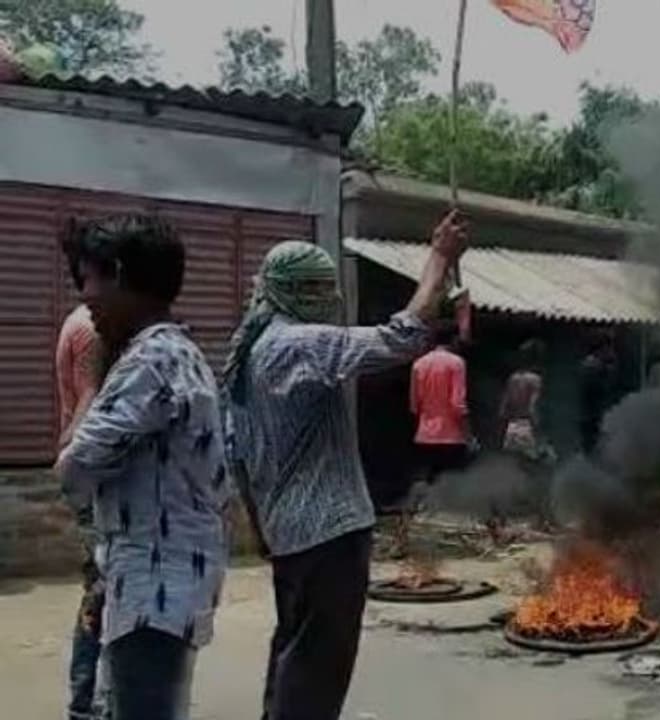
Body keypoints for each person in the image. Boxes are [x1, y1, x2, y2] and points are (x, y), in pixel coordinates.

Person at [223, 211, 466, 720]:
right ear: (298, 292)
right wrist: (439, 258)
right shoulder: (298, 343)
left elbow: (236, 453)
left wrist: (262, 525)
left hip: (289, 534)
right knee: (318, 668)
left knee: (294, 651)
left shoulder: (250, 352)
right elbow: (402, 336)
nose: (331, 300)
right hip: (329, 533)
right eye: (321, 290)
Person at [55, 215, 229, 720]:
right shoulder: (181, 352)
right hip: (173, 583)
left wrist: (94, 382)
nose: (85, 297)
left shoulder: (149, 361)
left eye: (90, 279)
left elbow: (74, 468)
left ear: (120, 275)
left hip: (152, 590)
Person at [56, 289, 107, 720]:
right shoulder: (93, 329)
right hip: (94, 478)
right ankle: (86, 701)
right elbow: (90, 396)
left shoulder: (77, 322)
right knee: (103, 589)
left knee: (99, 587)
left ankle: (88, 698)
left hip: (85, 471)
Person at [498, 339, 556, 527]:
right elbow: (533, 408)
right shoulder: (535, 380)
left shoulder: (513, 379)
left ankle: (503, 517)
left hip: (511, 429)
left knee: (514, 474)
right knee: (543, 472)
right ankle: (543, 518)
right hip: (527, 430)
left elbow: (503, 409)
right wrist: (540, 435)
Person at [410, 321, 471, 486]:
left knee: (428, 481)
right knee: (451, 485)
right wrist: (468, 435)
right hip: (451, 437)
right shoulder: (456, 363)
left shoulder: (419, 364)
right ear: (454, 339)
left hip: (424, 436)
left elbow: (414, 405)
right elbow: (457, 404)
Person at [579, 330, 619, 456]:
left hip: (596, 414)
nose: (611, 351)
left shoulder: (597, 364)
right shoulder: (592, 364)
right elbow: (598, 386)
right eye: (609, 347)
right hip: (593, 415)